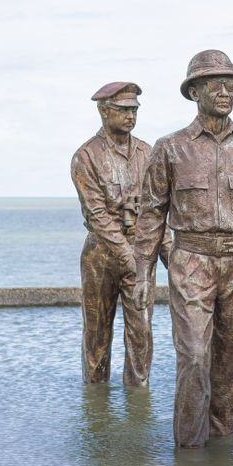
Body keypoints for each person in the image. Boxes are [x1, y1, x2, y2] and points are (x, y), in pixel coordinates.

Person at [132, 50, 233, 448]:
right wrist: (143, 274)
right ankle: (190, 452)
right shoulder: (169, 149)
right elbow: (151, 215)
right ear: (194, 92)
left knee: (228, 362)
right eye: (215, 84)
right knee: (194, 357)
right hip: (190, 261)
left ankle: (220, 454)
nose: (225, 90)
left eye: (231, 84)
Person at [71, 82, 170, 386]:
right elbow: (97, 216)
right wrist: (130, 256)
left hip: (139, 252)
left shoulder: (148, 153)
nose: (130, 115)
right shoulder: (86, 157)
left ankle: (138, 403)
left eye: (134, 110)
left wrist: (172, 259)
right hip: (101, 256)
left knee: (141, 332)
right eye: (123, 109)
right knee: (97, 335)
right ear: (104, 110)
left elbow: (156, 211)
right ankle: (96, 402)